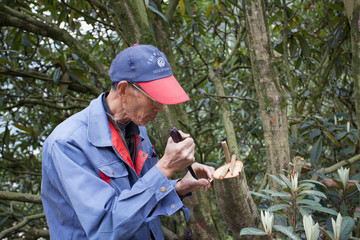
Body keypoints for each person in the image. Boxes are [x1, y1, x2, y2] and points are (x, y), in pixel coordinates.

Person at [41, 44, 215, 240]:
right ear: (123, 90)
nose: (160, 107)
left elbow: (138, 201)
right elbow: (106, 228)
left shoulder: (136, 129)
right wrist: (165, 167)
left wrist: (180, 186)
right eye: (153, 98)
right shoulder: (67, 144)